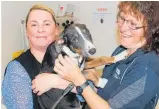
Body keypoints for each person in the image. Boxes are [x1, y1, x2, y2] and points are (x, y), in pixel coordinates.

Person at [52, 1, 159, 109]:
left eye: (133, 24)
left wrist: (80, 81)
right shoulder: (122, 50)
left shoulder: (146, 69)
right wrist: (90, 80)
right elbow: (104, 93)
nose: (122, 28)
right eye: (121, 18)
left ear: (150, 29)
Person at [2, 4, 72, 109]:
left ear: (56, 30)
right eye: (34, 25)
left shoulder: (67, 60)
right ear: (27, 32)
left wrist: (57, 81)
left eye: (47, 24)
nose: (40, 29)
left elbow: (89, 94)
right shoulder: (17, 69)